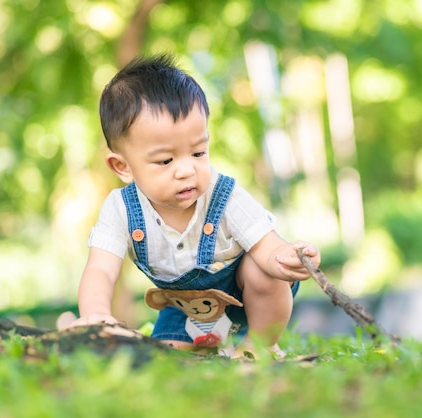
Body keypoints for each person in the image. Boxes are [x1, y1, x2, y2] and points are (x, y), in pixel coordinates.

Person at [59, 53, 321, 358]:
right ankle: (209, 342)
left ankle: (260, 345)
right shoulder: (120, 209)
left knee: (262, 272)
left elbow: (266, 245)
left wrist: (286, 257)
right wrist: (96, 313)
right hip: (186, 307)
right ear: (122, 166)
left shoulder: (224, 194)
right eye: (166, 160)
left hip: (250, 296)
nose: (187, 170)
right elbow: (101, 270)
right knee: (169, 356)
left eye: (198, 153)